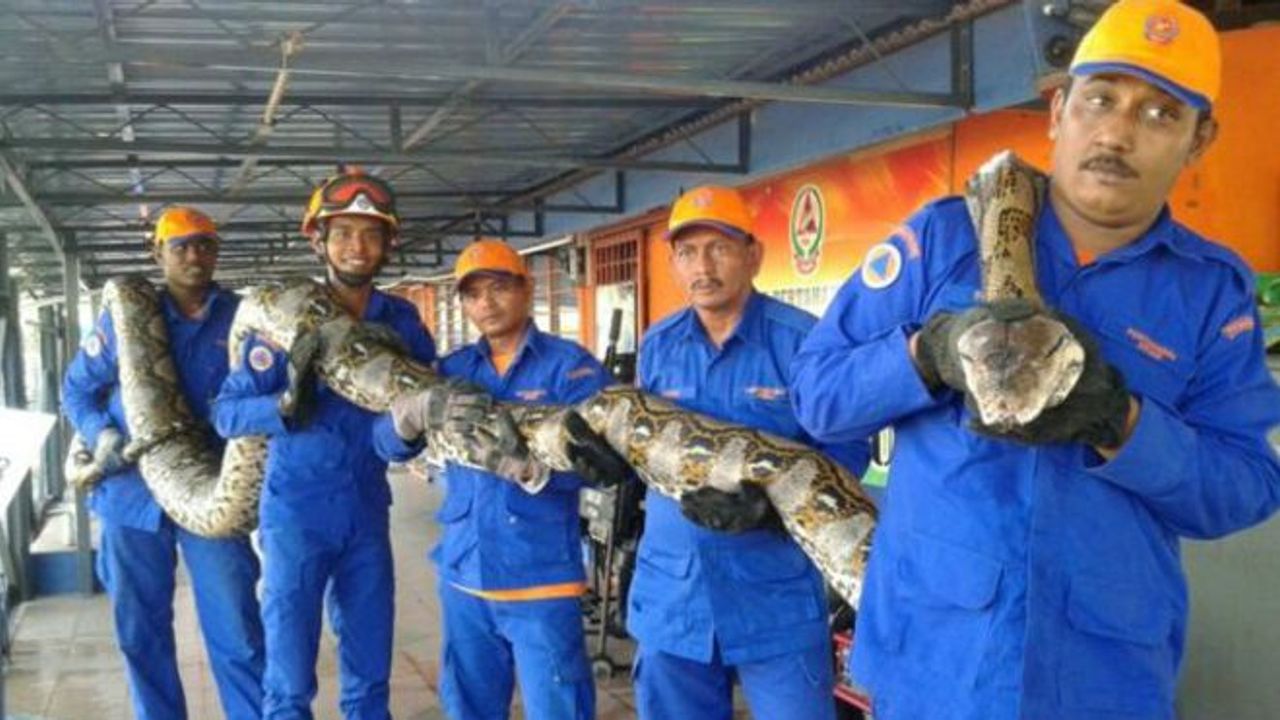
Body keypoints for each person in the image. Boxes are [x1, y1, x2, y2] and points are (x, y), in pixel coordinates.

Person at [789, 2, 1280, 718]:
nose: (1116, 133)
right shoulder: (944, 238)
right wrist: (926, 356)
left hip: (1103, 678)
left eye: (1160, 113)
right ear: (1058, 111)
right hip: (935, 664)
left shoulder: (1210, 292)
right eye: (1100, 99)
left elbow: (1246, 485)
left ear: (1199, 139)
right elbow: (818, 394)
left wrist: (1121, 422)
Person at [627, 186, 870, 720]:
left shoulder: (802, 341)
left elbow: (850, 446)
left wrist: (770, 508)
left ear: (753, 254)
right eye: (688, 252)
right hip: (674, 593)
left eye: (719, 248)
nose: (702, 267)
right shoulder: (658, 344)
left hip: (774, 593)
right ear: (673, 262)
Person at [213, 170, 438, 719]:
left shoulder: (402, 321)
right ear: (319, 241)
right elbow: (226, 412)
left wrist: (407, 433)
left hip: (366, 511)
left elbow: (408, 429)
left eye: (370, 234)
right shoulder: (283, 321)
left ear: (388, 244)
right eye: (343, 234)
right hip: (295, 513)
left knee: (370, 669)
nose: (357, 246)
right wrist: (283, 408)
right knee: (289, 677)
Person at [374, 238, 629, 720]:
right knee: (469, 708)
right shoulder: (451, 371)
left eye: (499, 288)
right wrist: (407, 418)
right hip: (465, 575)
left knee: (557, 710)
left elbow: (609, 467)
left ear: (526, 289)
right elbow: (385, 446)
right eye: (473, 294)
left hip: (541, 577)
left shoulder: (570, 368)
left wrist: (535, 472)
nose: (486, 303)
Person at [62, 207, 264, 720]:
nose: (194, 255)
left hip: (210, 490)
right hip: (131, 495)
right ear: (159, 254)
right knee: (140, 632)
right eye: (181, 246)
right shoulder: (124, 317)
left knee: (237, 627)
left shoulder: (242, 319)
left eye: (204, 245)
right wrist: (101, 434)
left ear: (217, 252)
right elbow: (77, 390)